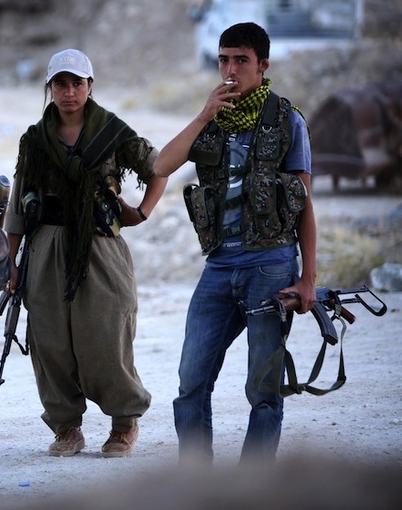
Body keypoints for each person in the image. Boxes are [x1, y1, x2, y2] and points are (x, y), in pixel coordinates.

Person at [153, 22, 317, 465]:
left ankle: (253, 487)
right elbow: (161, 165)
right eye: (224, 59)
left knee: (263, 390)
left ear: (262, 66)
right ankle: (196, 484)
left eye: (241, 60)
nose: (230, 69)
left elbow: (304, 203)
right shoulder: (212, 120)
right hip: (219, 267)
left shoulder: (287, 120)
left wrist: (308, 280)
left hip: (270, 266)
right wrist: (205, 114)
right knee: (191, 381)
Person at [3, 49, 168, 458]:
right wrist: (9, 261)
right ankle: (66, 428)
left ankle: (123, 423)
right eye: (61, 83)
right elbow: (17, 207)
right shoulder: (35, 140)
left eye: (77, 83)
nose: (69, 91)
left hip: (100, 245)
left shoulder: (112, 132)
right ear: (50, 88)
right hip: (45, 247)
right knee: (49, 340)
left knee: (106, 334)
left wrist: (142, 212)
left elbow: (159, 168)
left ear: (90, 86)